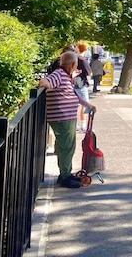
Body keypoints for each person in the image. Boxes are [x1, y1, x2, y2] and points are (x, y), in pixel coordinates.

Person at [39, 51, 96, 188]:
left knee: (66, 146)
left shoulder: (65, 75)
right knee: (67, 147)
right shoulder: (59, 74)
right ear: (73, 64)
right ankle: (65, 176)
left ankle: (65, 174)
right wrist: (45, 86)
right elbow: (45, 81)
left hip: (66, 117)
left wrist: (88, 105)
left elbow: (74, 95)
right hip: (62, 117)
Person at [75, 41, 92, 132]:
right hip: (81, 84)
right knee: (84, 105)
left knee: (75, 105)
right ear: (85, 49)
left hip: (73, 83)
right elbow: (89, 73)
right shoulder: (82, 60)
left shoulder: (74, 58)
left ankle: (75, 124)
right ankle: (83, 124)